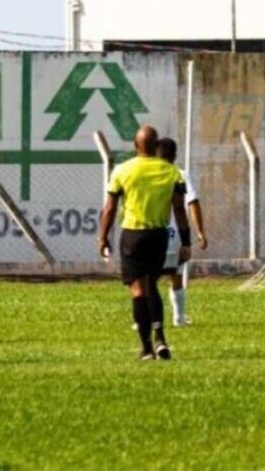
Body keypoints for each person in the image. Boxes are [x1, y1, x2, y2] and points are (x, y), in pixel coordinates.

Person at [98, 126, 190, 361]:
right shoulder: (172, 172)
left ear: (135, 145)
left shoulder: (122, 170)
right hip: (159, 234)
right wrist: (186, 241)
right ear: (156, 144)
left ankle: (147, 347)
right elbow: (179, 208)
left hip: (132, 235)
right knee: (152, 285)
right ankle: (160, 337)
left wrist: (103, 236)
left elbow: (109, 208)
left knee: (138, 290)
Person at [155, 138, 208, 327]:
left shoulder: (147, 176)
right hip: (175, 236)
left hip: (150, 234)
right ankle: (179, 318)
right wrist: (200, 232)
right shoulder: (180, 174)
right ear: (175, 155)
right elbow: (192, 203)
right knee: (175, 277)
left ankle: (145, 320)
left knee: (147, 280)